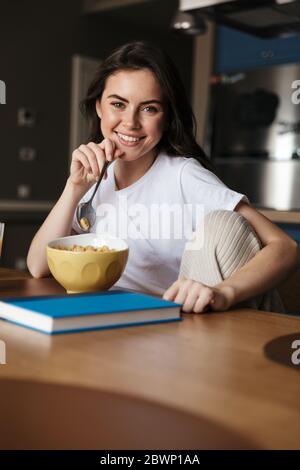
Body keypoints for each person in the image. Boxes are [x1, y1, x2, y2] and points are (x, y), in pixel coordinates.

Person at [27, 41, 298, 313]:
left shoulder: (183, 175)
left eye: (149, 108)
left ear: (166, 118)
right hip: (116, 323)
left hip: (181, 323)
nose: (130, 122)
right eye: (118, 104)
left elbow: (284, 246)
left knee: (222, 222)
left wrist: (223, 292)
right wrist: (74, 188)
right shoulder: (92, 179)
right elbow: (38, 267)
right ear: (99, 107)